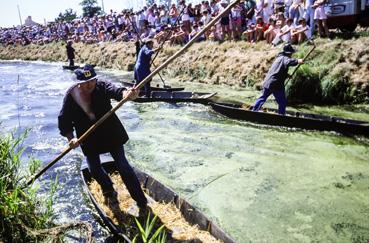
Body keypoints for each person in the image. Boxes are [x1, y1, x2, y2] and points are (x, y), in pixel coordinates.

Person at [58, 64, 148, 210]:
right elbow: (64, 119)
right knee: (93, 168)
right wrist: (71, 138)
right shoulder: (71, 95)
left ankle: (141, 201)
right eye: (85, 83)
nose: (89, 85)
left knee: (123, 166)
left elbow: (117, 91)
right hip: (88, 136)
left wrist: (128, 94)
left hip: (110, 132)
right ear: (78, 83)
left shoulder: (102, 85)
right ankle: (108, 189)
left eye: (92, 80)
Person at [252, 44, 304, 114]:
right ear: (289, 53)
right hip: (276, 84)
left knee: (262, 98)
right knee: (282, 102)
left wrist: (286, 75)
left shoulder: (279, 58)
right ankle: (281, 117)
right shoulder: (285, 58)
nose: (291, 55)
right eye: (291, 53)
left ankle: (254, 111)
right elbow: (289, 62)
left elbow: (277, 71)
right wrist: (297, 61)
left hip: (268, 82)